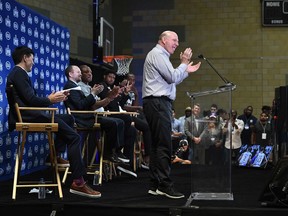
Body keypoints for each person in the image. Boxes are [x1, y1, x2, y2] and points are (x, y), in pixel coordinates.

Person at [6, 46, 101, 198]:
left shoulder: (18, 74)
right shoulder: (19, 73)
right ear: (25, 57)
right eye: (32, 59)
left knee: (69, 118)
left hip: (29, 114)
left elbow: (30, 100)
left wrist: (51, 98)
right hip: (28, 116)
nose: (33, 63)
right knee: (75, 137)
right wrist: (50, 99)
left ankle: (54, 156)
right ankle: (78, 182)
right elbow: (31, 100)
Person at [142, 30, 201, 199]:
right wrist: (183, 64)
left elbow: (172, 79)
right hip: (158, 103)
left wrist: (185, 70)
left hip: (156, 103)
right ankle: (164, 185)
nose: (176, 44)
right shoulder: (158, 54)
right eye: (174, 40)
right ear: (163, 40)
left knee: (157, 145)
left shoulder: (160, 56)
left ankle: (155, 184)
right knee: (164, 145)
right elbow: (172, 76)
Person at [67, 65, 137, 177]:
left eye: (85, 72)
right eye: (80, 72)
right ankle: (109, 152)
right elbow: (85, 105)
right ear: (70, 74)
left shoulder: (84, 86)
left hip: (94, 114)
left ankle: (116, 153)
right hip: (85, 118)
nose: (84, 74)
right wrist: (95, 94)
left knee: (125, 124)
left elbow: (93, 104)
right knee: (116, 122)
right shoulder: (72, 87)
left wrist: (110, 96)